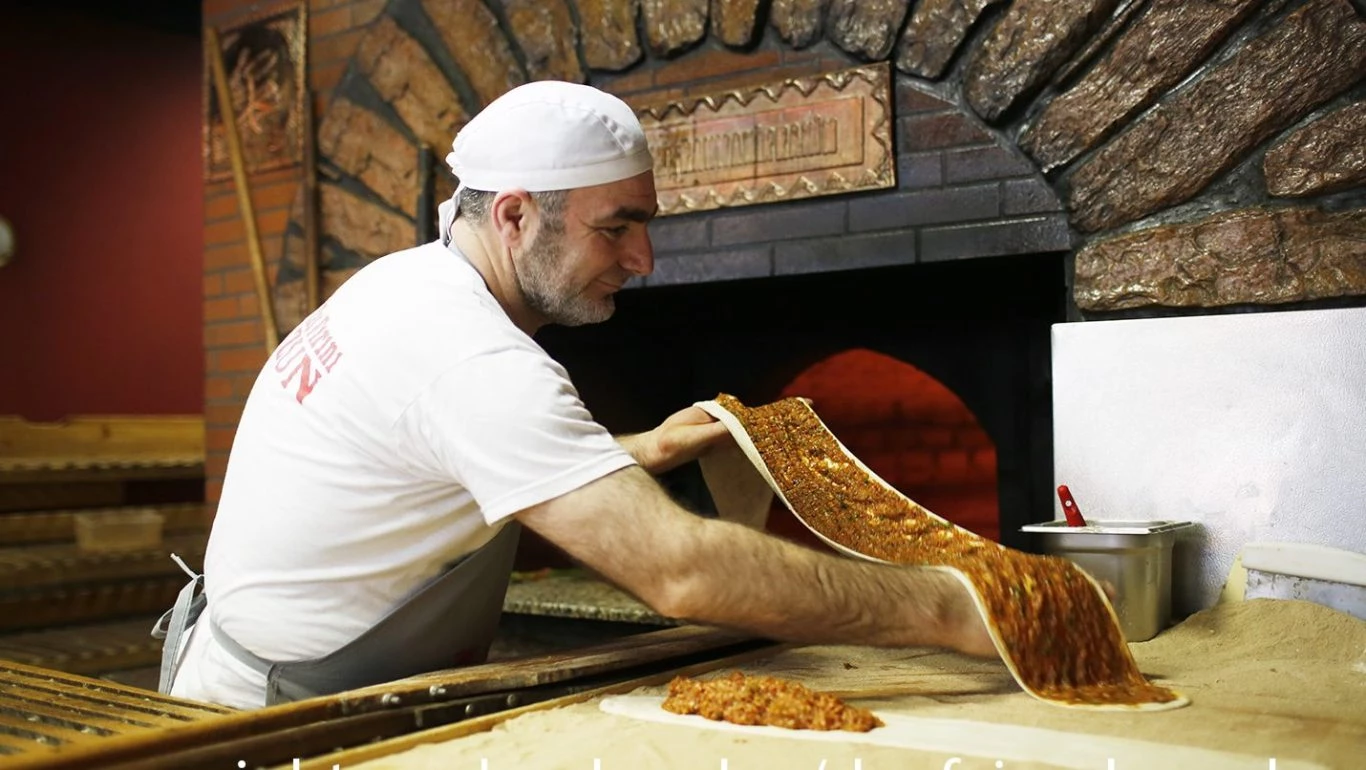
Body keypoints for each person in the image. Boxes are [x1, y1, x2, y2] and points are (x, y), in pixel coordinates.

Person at [157, 81, 995, 709]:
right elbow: (680, 571)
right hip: (272, 717)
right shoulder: (471, 357)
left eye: (645, 226)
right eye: (616, 227)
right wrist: (954, 607)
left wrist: (640, 451)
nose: (644, 261)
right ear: (515, 216)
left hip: (283, 671)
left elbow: (444, 463)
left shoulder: (405, 285)